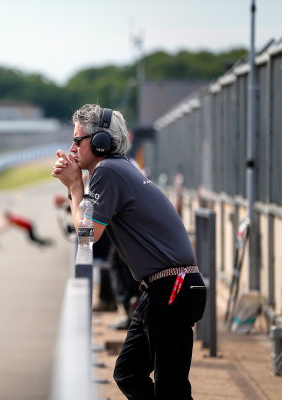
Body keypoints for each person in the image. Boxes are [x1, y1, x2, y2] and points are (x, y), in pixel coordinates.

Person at [52, 104, 205, 400]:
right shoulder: (116, 169)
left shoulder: (108, 171)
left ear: (100, 143)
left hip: (172, 286)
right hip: (162, 287)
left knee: (171, 387)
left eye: (78, 140)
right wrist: (79, 184)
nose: (72, 148)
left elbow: (86, 236)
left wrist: (74, 187)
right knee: (128, 373)